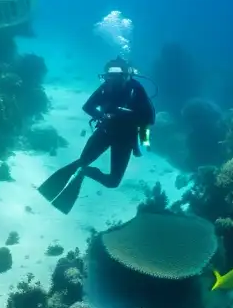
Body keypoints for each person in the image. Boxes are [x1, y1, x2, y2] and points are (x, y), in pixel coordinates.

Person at [38, 56, 155, 214]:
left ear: (126, 75)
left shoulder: (136, 91)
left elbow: (147, 119)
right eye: (110, 76)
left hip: (125, 139)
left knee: (113, 182)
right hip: (105, 131)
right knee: (82, 161)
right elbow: (88, 107)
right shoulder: (106, 87)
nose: (113, 81)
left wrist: (143, 142)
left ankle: (85, 172)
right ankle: (67, 179)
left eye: (117, 77)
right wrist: (104, 117)